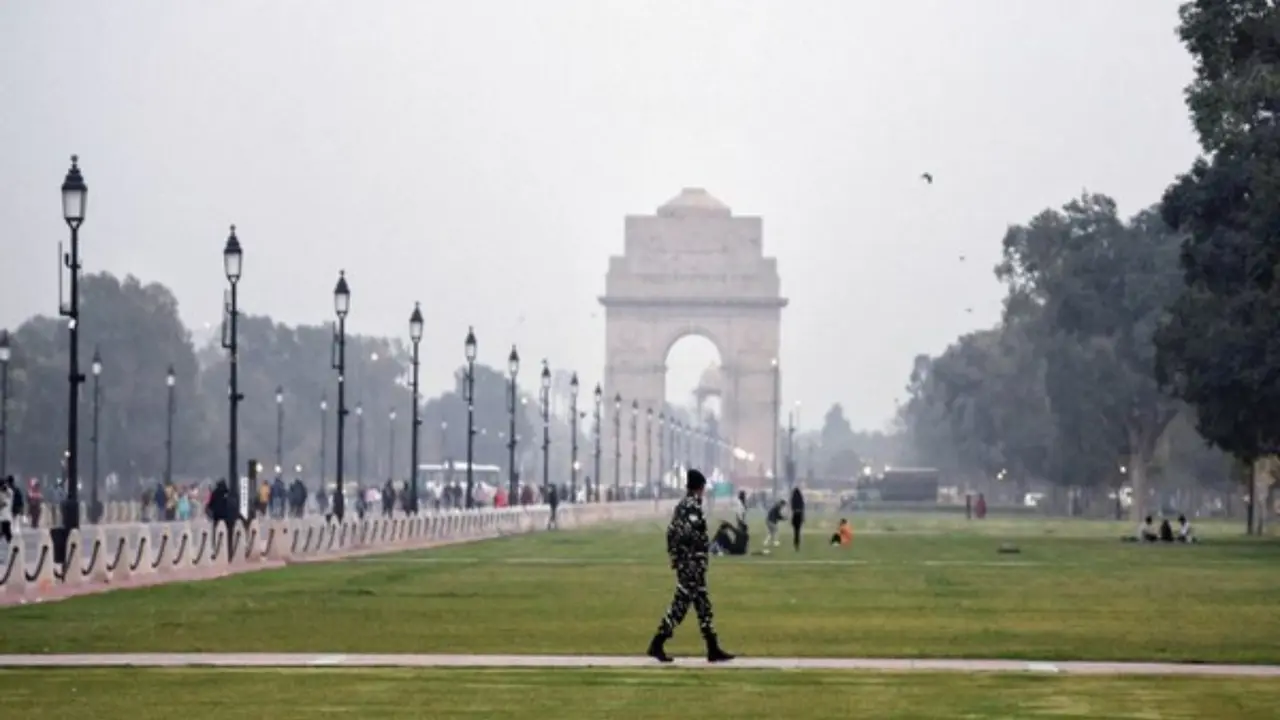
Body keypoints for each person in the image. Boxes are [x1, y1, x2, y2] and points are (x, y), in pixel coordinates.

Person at [647, 469, 735, 664]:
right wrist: (683, 556)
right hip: (691, 565)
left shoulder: (685, 506)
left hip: (694, 564)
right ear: (700, 487)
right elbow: (684, 534)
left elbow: (672, 534)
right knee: (680, 605)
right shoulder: (690, 507)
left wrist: (676, 556)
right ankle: (657, 642)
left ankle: (712, 648)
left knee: (703, 606)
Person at [789, 486, 806, 551]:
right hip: (799, 516)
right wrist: (803, 517)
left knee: (795, 532)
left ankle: (795, 544)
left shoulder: (793, 500)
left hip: (795, 516)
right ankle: (797, 544)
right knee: (798, 532)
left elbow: (792, 508)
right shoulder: (801, 500)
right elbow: (802, 508)